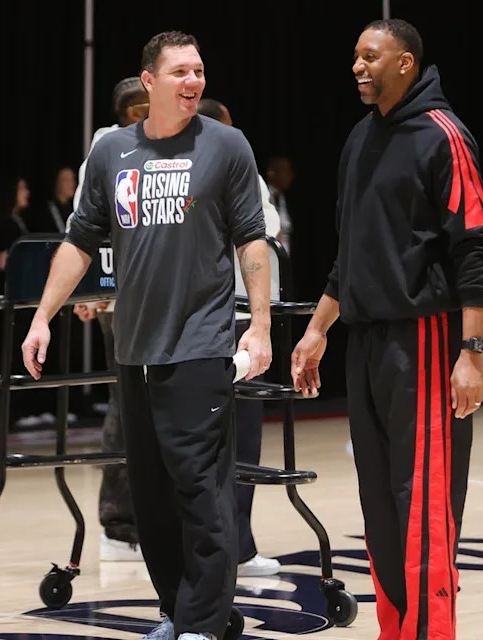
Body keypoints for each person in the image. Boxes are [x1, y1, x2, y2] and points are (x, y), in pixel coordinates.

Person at [22, 31, 272, 640]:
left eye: (200, 70)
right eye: (181, 71)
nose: (194, 82)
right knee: (153, 498)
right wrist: (42, 316)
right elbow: (80, 243)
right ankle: (177, 608)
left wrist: (259, 325)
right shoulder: (113, 154)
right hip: (133, 349)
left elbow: (252, 242)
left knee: (201, 492)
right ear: (149, 82)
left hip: (201, 344)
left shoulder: (226, 147)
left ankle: (203, 624)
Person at [291, 19, 483, 640]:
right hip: (366, 341)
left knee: (424, 498)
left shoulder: (444, 136)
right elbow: (350, 253)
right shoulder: (359, 139)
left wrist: (472, 351)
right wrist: (317, 331)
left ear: (405, 63)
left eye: (370, 56)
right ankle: (396, 628)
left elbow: (475, 248)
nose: (357, 65)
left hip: (425, 338)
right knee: (379, 502)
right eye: (354, 55)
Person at [197, 96, 282, 576]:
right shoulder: (236, 167)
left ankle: (234, 545)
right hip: (232, 317)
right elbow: (264, 230)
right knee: (237, 439)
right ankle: (233, 548)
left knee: (214, 440)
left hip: (219, 317)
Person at [72, 75, 150, 563]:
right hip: (120, 299)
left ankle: (150, 518)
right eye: (140, 109)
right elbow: (85, 222)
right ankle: (119, 523)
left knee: (153, 406)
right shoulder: (108, 148)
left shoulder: (163, 143)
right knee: (126, 406)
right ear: (127, 112)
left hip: (160, 296)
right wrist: (89, 289)